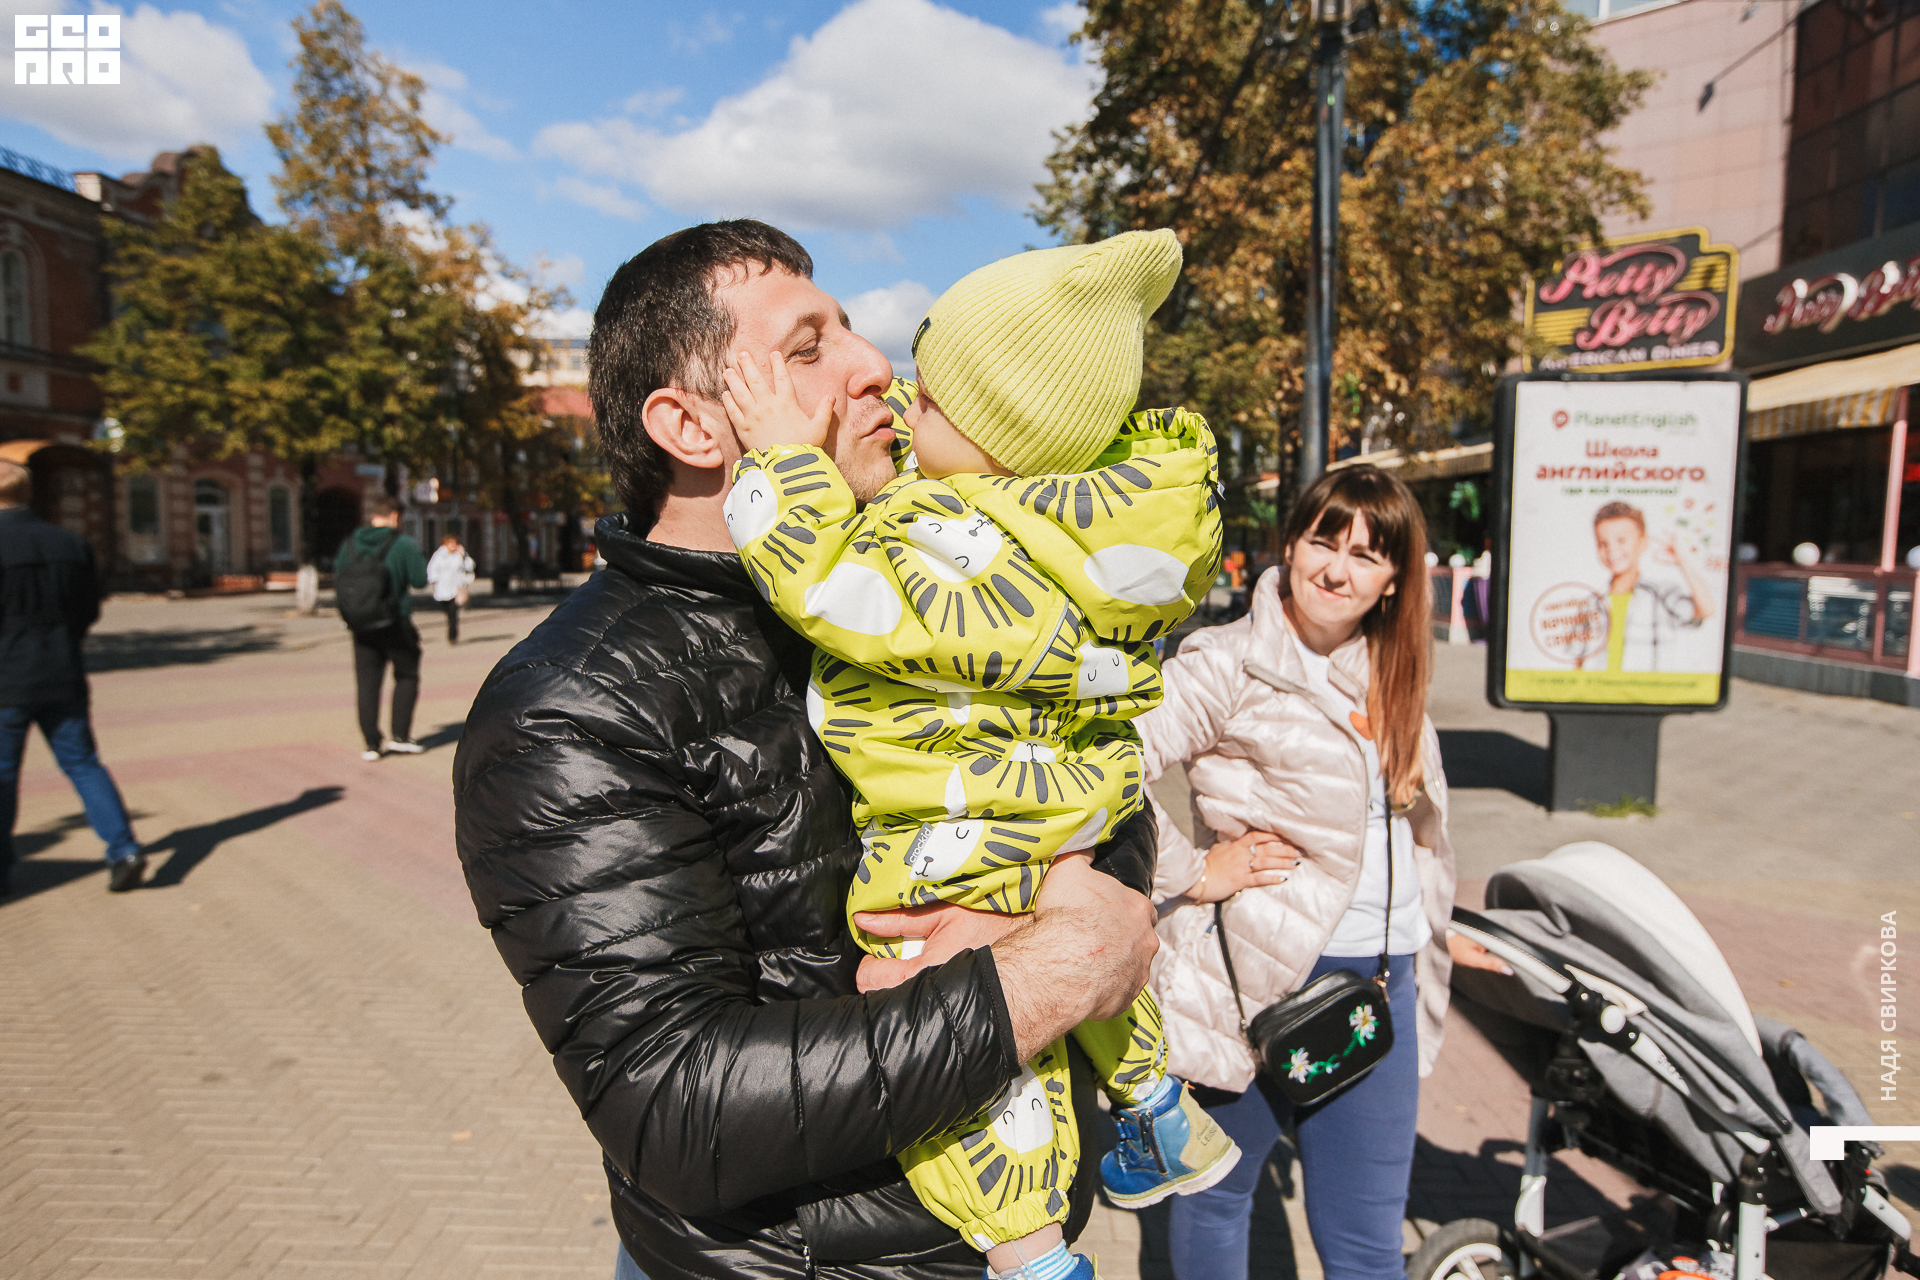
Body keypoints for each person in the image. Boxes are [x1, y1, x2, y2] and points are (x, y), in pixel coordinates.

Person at [451, 219, 1163, 1280]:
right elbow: (674, 1106)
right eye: (808, 348)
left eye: (855, 329)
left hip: (997, 1233)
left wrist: (1057, 889)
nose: (877, 365)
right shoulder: (570, 705)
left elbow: (1108, 783)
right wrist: (1038, 976)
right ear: (691, 425)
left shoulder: (917, 575)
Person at [719, 230, 1235, 1280]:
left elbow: (829, 582)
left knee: (965, 1020)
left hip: (960, 822)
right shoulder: (1063, 526)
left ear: (995, 438)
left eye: (934, 400)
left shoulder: (961, 554)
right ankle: (1154, 1104)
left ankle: (1029, 1250)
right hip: (1063, 804)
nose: (900, 398)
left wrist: (780, 460)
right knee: (1077, 955)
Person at [1134, 465, 1507, 1280]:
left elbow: (1401, 836)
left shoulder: (1393, 669)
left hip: (1381, 983)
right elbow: (1109, 768)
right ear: (1292, 545)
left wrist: (1441, 933)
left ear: (1394, 579)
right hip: (1258, 981)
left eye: (1366, 555)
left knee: (1366, 1242)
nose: (1337, 570)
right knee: (1216, 1199)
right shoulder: (1227, 662)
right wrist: (1192, 873)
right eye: (1323, 542)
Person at [0, 458, 145, 895]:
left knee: (3, 772)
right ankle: (124, 850)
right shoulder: (71, 543)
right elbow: (89, 609)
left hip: (6, 679)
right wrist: (63, 640)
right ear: (27, 493)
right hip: (63, 672)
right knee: (83, 764)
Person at [334, 494, 428, 760]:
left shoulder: (349, 544)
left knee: (367, 684)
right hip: (395, 621)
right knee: (407, 675)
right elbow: (420, 580)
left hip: (361, 624)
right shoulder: (403, 544)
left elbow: (338, 578)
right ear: (395, 517)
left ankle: (371, 744)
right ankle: (400, 737)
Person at [1587, 500, 1713, 672]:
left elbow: (1706, 610)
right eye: (1603, 543)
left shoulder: (1661, 595)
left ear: (1643, 543)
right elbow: (1578, 659)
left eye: (1621, 541)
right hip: (1599, 688)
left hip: (1645, 689)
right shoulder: (1591, 603)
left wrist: (1682, 562)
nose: (1611, 550)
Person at [425, 533, 474, 644]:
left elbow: (470, 567)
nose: (452, 546)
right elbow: (432, 569)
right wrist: (434, 579)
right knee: (447, 611)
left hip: (456, 589)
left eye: (454, 543)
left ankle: (452, 636)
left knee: (453, 613)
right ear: (445, 544)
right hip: (442, 589)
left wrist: (463, 556)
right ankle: (452, 632)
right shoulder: (439, 555)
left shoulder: (459, 555)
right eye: (450, 543)